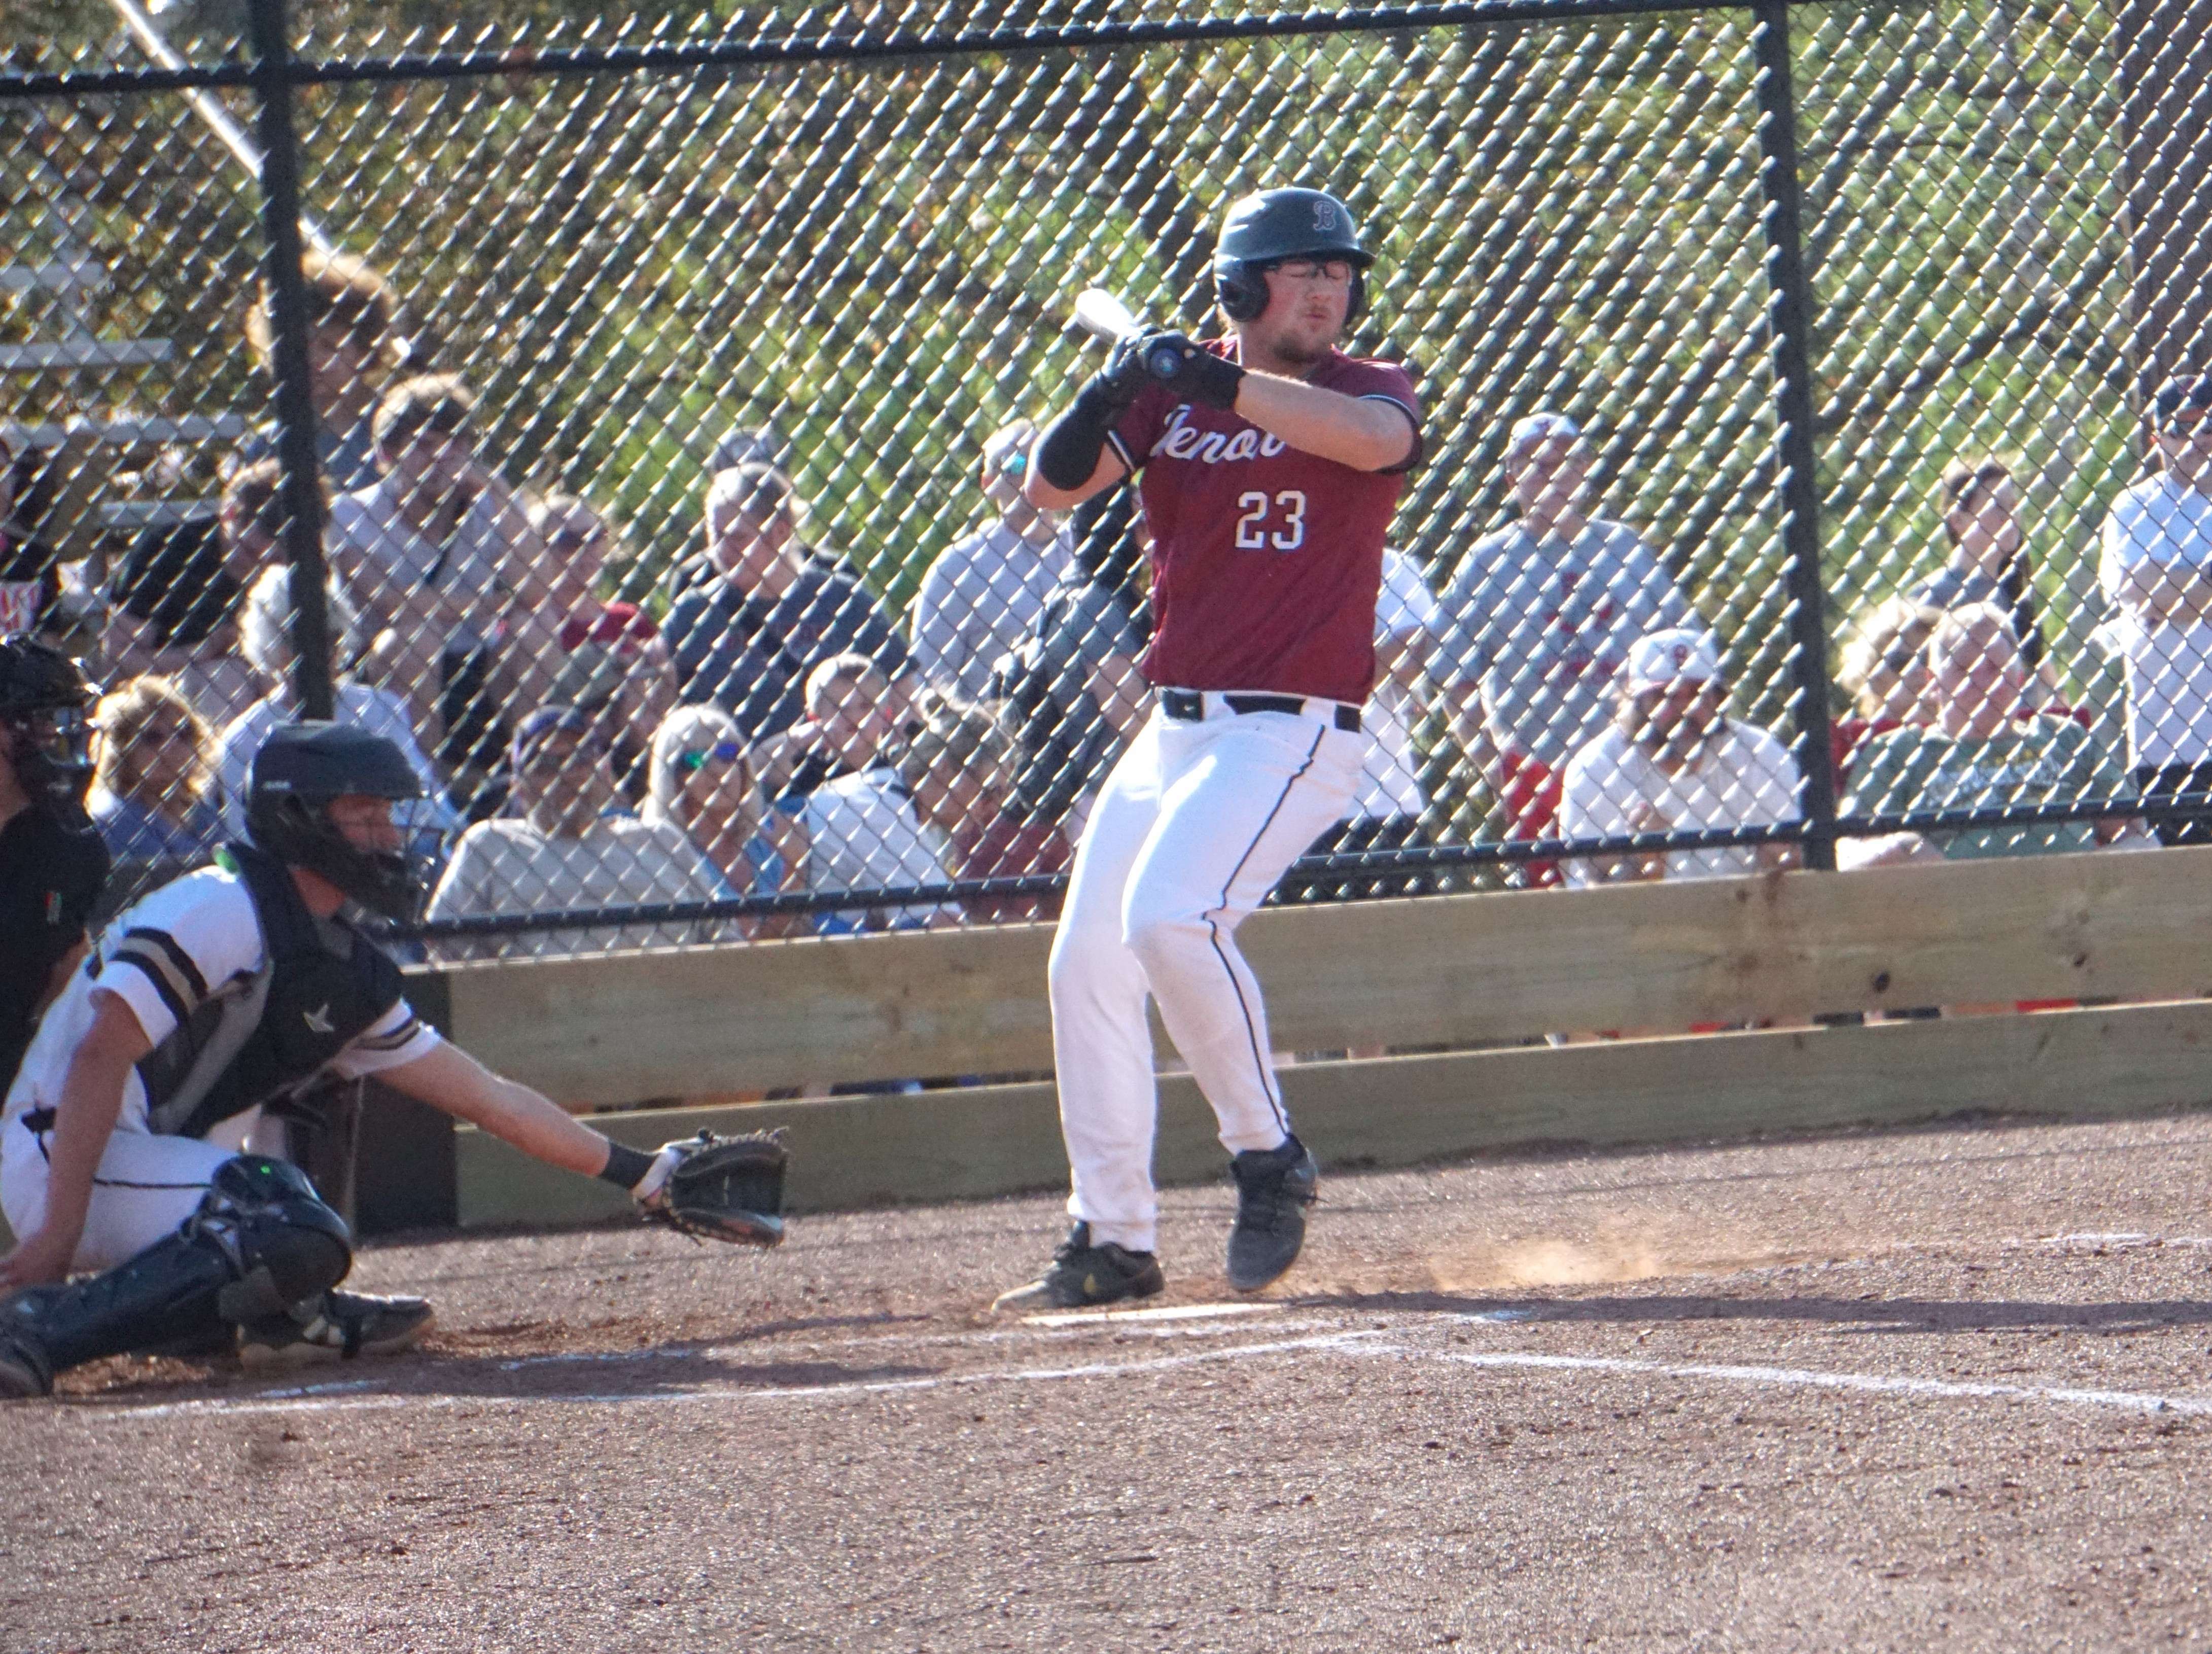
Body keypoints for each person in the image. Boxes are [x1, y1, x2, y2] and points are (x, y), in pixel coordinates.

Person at [0, 721, 787, 1397]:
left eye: (387, 812)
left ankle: (275, 1318)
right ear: (300, 817)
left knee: (302, 1200)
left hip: (136, 1166)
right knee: (276, 1214)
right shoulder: (221, 904)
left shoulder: (343, 966)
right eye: (364, 812)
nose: (389, 832)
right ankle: (42, 1325)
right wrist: (56, 1237)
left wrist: (641, 1173)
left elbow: (487, 1097)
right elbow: (99, 1056)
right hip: (56, 1150)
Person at [996, 185, 1421, 1311]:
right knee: (1085, 958)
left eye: (1339, 273)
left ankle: (1265, 1155)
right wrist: (1115, 383)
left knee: (1167, 917)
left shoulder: (1365, 387)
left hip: (1289, 727)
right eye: (1302, 271)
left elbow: (1375, 445)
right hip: (1173, 727)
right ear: (1240, 288)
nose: (1328, 289)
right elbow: (1048, 486)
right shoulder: (1171, 403)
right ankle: (1113, 1236)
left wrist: (1215, 380)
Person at [1435, 410, 1701, 887]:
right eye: (1534, 463)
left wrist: (1672, 749)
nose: (1550, 474)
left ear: (1584, 468)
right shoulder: (1488, 562)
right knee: (1550, 906)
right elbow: (1454, 681)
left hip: (1630, 761)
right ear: (1511, 475)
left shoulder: (1624, 549)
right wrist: (1499, 771)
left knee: (1646, 890)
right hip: (1536, 764)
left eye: (1563, 462)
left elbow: (1685, 652)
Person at [325, 374, 544, 778]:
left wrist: (497, 494)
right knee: (412, 637)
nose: (443, 457)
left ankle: (535, 771)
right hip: (388, 664)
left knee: (533, 629)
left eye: (456, 444)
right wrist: (489, 605)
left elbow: (536, 590)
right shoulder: (351, 515)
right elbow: (394, 605)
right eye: (425, 445)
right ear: (387, 455)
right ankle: (427, 784)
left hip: (479, 659)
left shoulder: (487, 506)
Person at [423, 706, 735, 960]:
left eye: (579, 759)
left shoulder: (658, 839)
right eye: (545, 764)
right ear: (519, 788)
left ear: (603, 772)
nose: (566, 775)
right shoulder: (490, 845)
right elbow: (444, 946)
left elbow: (724, 934)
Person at [1844, 604, 2135, 861]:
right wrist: (1904, 848)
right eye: (1964, 668)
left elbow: (2134, 834)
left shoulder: (2064, 737)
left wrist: (2097, 876)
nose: (1982, 681)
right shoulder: (1897, 752)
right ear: (1933, 682)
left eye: (1995, 667)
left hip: (2074, 905)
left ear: (2019, 679)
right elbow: (1847, 852)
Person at [663, 463, 915, 739]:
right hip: (741, 773)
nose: (722, 551)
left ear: (781, 532)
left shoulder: (843, 600)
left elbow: (905, 699)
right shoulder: (693, 615)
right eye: (716, 537)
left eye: (737, 537)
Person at [212, 565, 454, 846]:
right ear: (269, 645)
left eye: (329, 637)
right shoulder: (244, 738)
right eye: (296, 640)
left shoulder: (381, 708)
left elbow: (426, 808)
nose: (318, 651)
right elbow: (246, 840)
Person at [1559, 628, 1803, 886]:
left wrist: (1784, 863)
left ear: (1718, 699)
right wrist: (1638, 864)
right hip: (1642, 923)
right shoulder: (1597, 766)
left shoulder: (1759, 753)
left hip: (1747, 919)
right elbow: (1586, 901)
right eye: (1667, 696)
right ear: (1638, 703)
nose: (1686, 709)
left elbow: (1801, 864)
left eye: (1698, 694)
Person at [1280, 545, 1449, 902]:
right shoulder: (1262, 562)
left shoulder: (1382, 560)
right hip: (1282, 803)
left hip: (1378, 799)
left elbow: (1415, 642)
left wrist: (1315, 682)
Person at [2097, 373, 2212, 844]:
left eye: (2207, 425)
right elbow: (2140, 589)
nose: (2197, 439)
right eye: (2180, 427)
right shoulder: (2135, 506)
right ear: (2155, 437)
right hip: (2170, 744)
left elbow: (2167, 593)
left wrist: (2184, 589)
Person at [0, 636, 108, 1099]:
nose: (53, 737)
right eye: (36, 720)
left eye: (58, 720)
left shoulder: (69, 846)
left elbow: (63, 990)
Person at [909, 419, 1073, 699]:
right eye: (1016, 466)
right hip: (998, 731)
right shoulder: (959, 568)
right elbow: (928, 683)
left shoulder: (1085, 544)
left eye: (1041, 459)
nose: (1030, 476)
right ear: (988, 483)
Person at [235, 249, 406, 492]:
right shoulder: (273, 444)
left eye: (330, 347)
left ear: (365, 349)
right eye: (301, 348)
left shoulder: (400, 427)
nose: (314, 360)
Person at [645, 702, 809, 938]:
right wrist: (795, 872)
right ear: (671, 778)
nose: (717, 769)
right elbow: (748, 951)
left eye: (727, 754)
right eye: (696, 760)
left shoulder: (765, 839)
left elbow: (801, 936)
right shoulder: (667, 853)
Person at [899, 696, 1069, 923]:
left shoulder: (926, 825)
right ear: (943, 769)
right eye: (989, 794)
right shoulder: (895, 815)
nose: (994, 811)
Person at [1909, 456, 2061, 705]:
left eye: (2013, 505)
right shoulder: (1930, 597)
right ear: (1958, 521)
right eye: (1997, 507)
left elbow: (2051, 691)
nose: (2010, 516)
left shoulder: (2015, 595)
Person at [86, 676, 225, 866]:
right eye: (152, 738)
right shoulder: (113, 821)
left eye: (183, 733)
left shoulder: (203, 812)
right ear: (121, 749)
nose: (171, 745)